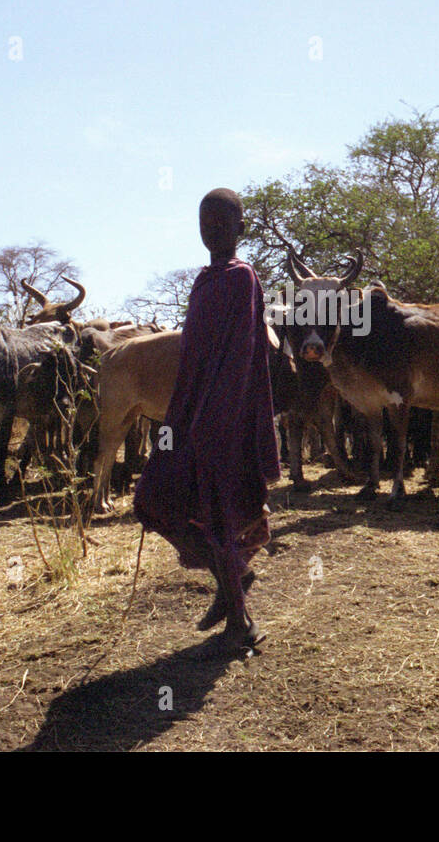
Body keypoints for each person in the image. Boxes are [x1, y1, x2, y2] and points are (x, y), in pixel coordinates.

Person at [132, 187, 280, 656]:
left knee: (215, 517)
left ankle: (241, 623)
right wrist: (180, 419)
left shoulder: (242, 278)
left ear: (241, 227)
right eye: (204, 222)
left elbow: (241, 359)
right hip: (190, 412)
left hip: (225, 419)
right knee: (152, 502)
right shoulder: (203, 281)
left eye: (221, 221)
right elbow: (194, 358)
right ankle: (232, 578)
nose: (211, 230)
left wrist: (215, 421)